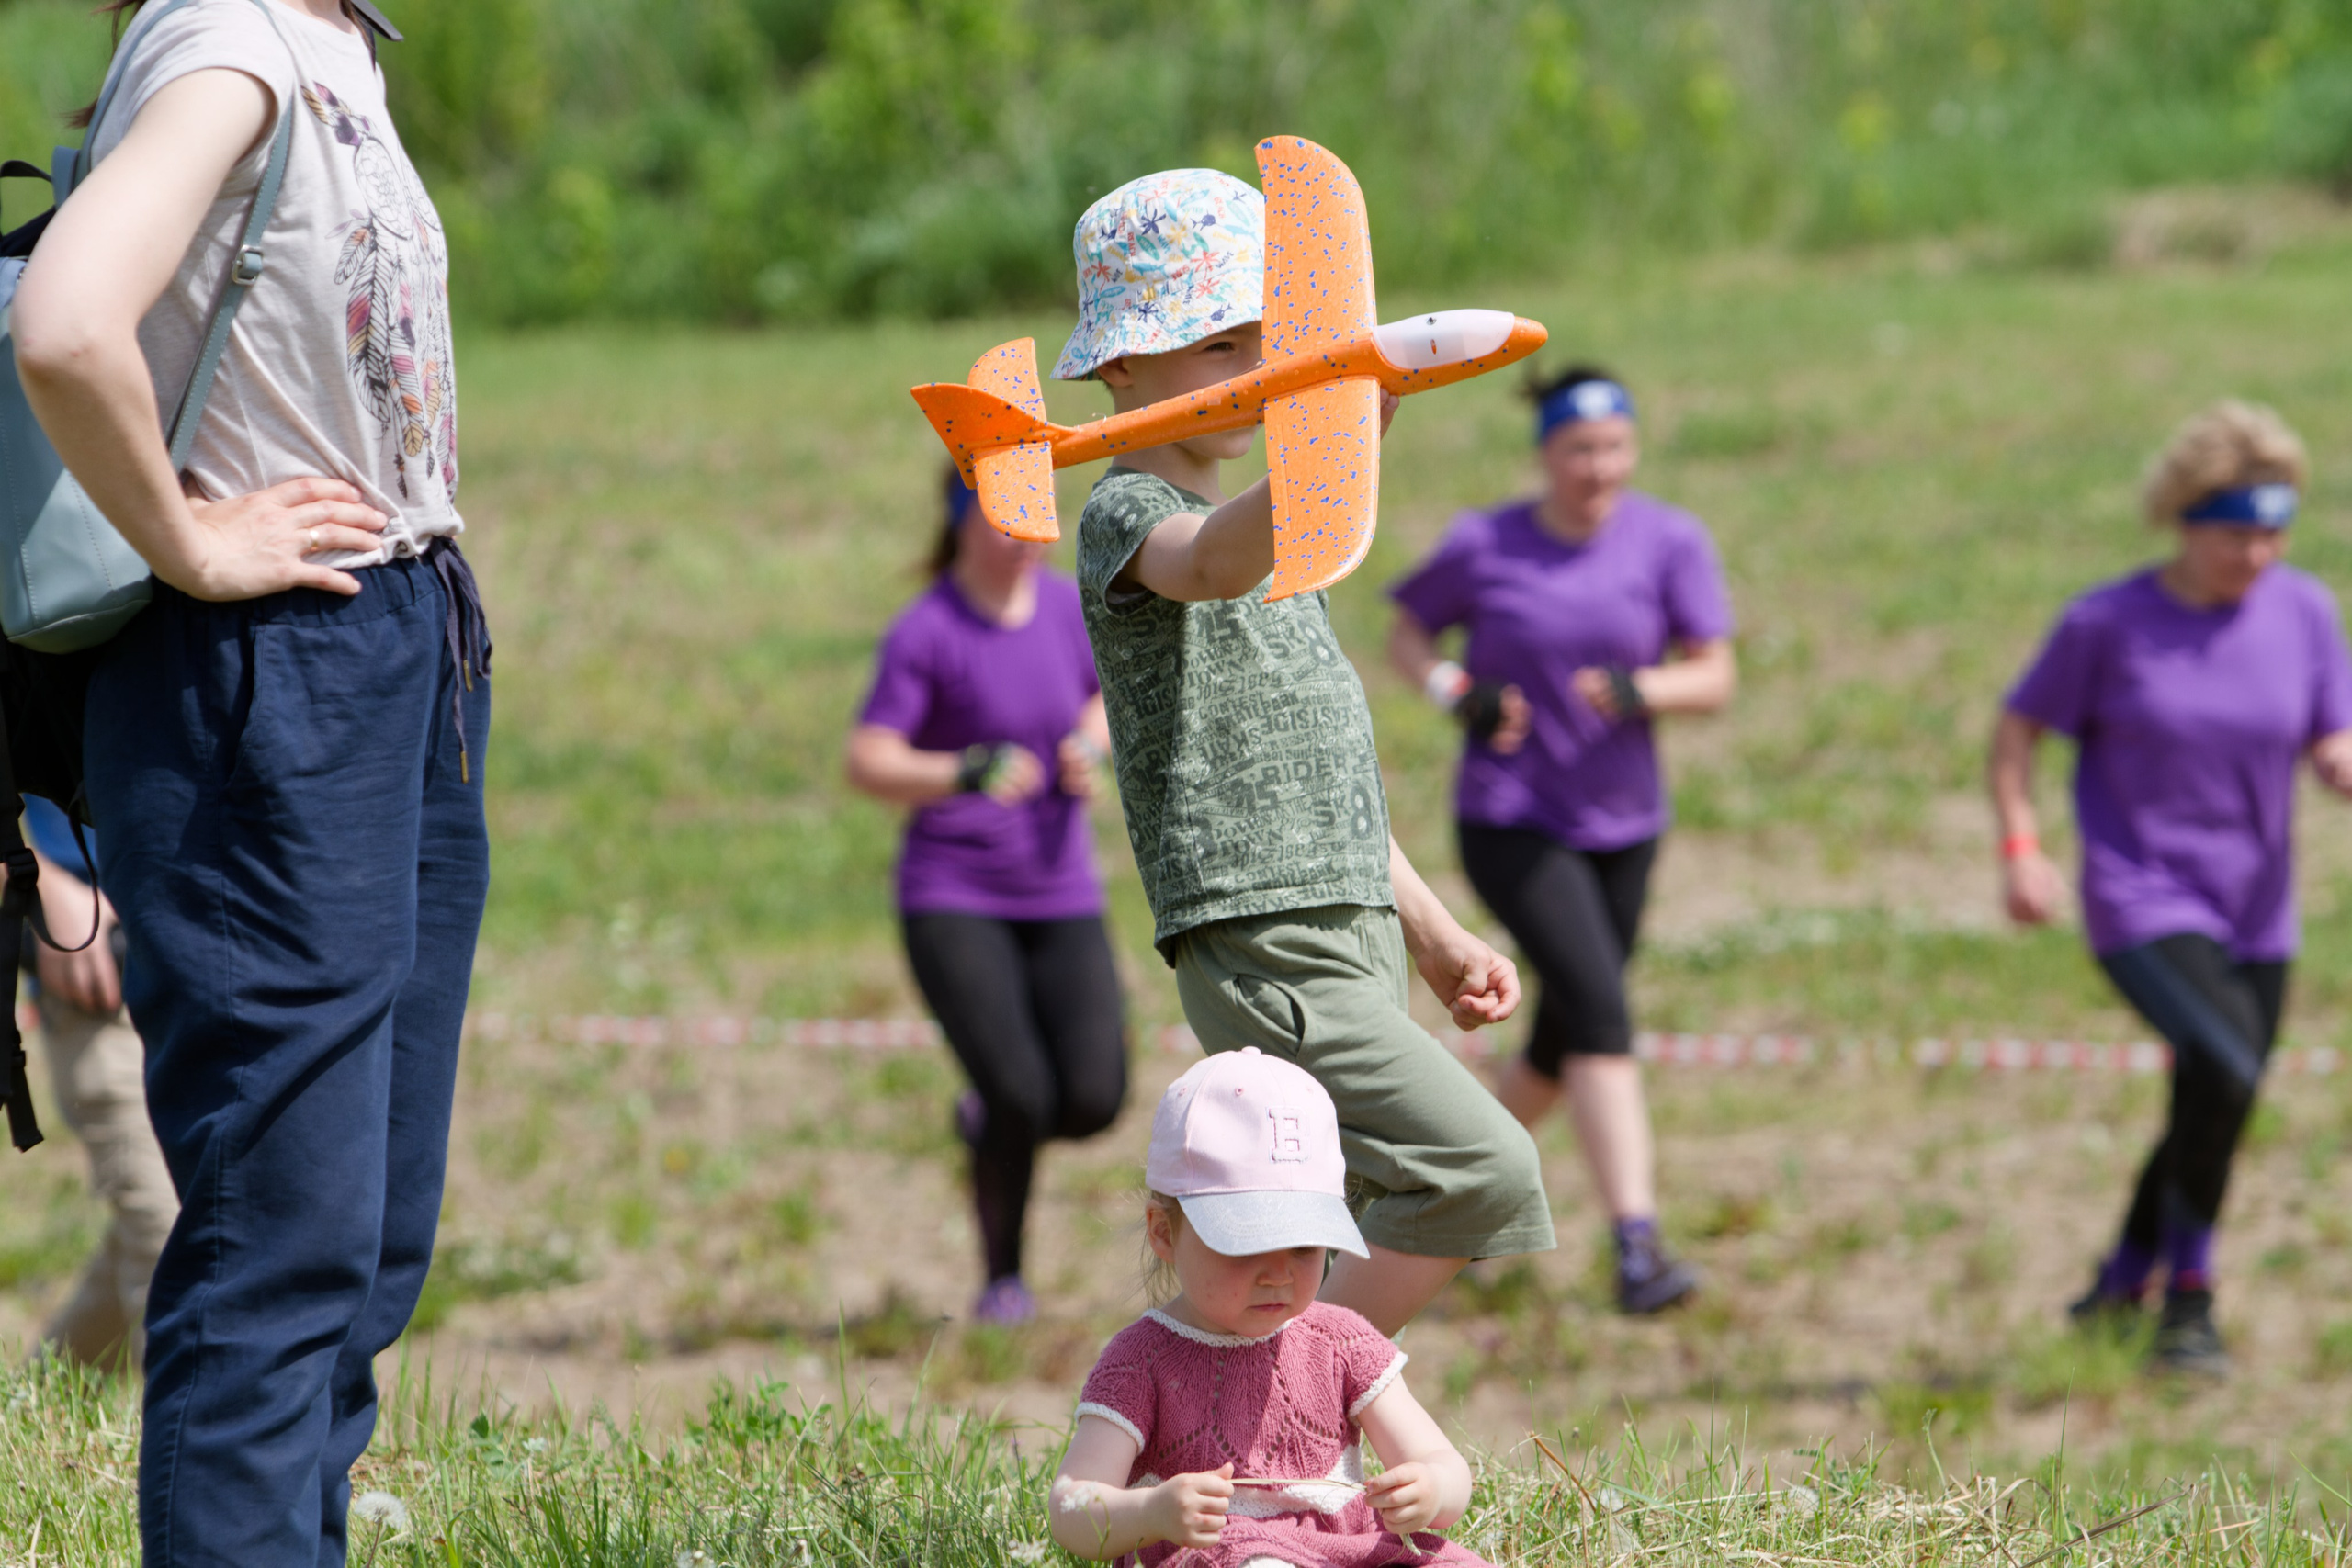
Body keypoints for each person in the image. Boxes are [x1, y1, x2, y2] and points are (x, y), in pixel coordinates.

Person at [11, 0, 491, 1559]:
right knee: (277, 1246)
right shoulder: (228, 39)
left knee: (361, 1247)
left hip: (395, 646)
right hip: (274, 677)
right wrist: (195, 540)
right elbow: (68, 324)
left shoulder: (328, 37)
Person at [1062, 168, 1553, 1337]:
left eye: (1268, 343)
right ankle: (1275, 1401)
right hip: (1263, 938)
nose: (1254, 372)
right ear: (1123, 368)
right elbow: (1209, 560)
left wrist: (1431, 932)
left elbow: (1320, 778)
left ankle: (1246, 1432)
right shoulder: (1127, 515)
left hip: (1350, 927)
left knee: (1318, 1223)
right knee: (1482, 1169)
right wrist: (1327, 454)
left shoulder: (1292, 540)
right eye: (1219, 346)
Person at [1992, 400, 2352, 1376]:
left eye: (2276, 531)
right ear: (2184, 522)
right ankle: (2187, 1298)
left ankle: (2118, 1283)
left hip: (2258, 908)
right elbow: (2018, 731)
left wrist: (2336, 761)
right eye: (2237, 531)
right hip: (2139, 897)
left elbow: (2331, 728)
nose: (2259, 553)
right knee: (2226, 1069)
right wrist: (2022, 847)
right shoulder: (2106, 623)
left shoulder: (2305, 611)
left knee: (2212, 1092)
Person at [1385, 367, 1735, 1314]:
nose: (1597, 467)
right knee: (1599, 1009)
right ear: (1544, 451)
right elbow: (1407, 632)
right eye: (1578, 450)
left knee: (1560, 1035)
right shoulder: (1486, 543)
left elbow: (1713, 676)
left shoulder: (1669, 540)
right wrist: (1455, 693)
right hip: (1511, 820)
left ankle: (1450, 1206)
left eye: (1613, 446)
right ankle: (1636, 1246)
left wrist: (1641, 690)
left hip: (1626, 823)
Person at [846, 469, 1128, 1325]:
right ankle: (1003, 1281)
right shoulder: (928, 629)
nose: (1022, 539)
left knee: (1093, 1097)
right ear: (962, 522)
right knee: (1021, 1094)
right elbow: (869, 758)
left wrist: (1091, 741)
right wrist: (959, 770)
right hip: (953, 894)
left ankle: (988, 1122)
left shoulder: (1065, 609)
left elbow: (1107, 694)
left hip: (1062, 887)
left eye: (1034, 520)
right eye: (1003, 520)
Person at [1051, 1047, 1491, 1568]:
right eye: (1245, 1245)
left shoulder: (1340, 1341)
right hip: (1220, 1554)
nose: (1278, 1273)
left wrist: (1433, 1488)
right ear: (1164, 1231)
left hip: (1343, 1551)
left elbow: (1443, 1462)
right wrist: (1150, 1512)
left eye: (1304, 1247)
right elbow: (1071, 1506)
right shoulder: (1140, 1359)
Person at [18, 796, 176, 1371]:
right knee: (176, 1244)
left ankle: (33, 1402)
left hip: (228, 971)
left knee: (189, 1221)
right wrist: (25, 878)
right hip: (100, 984)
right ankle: (195, 1458)